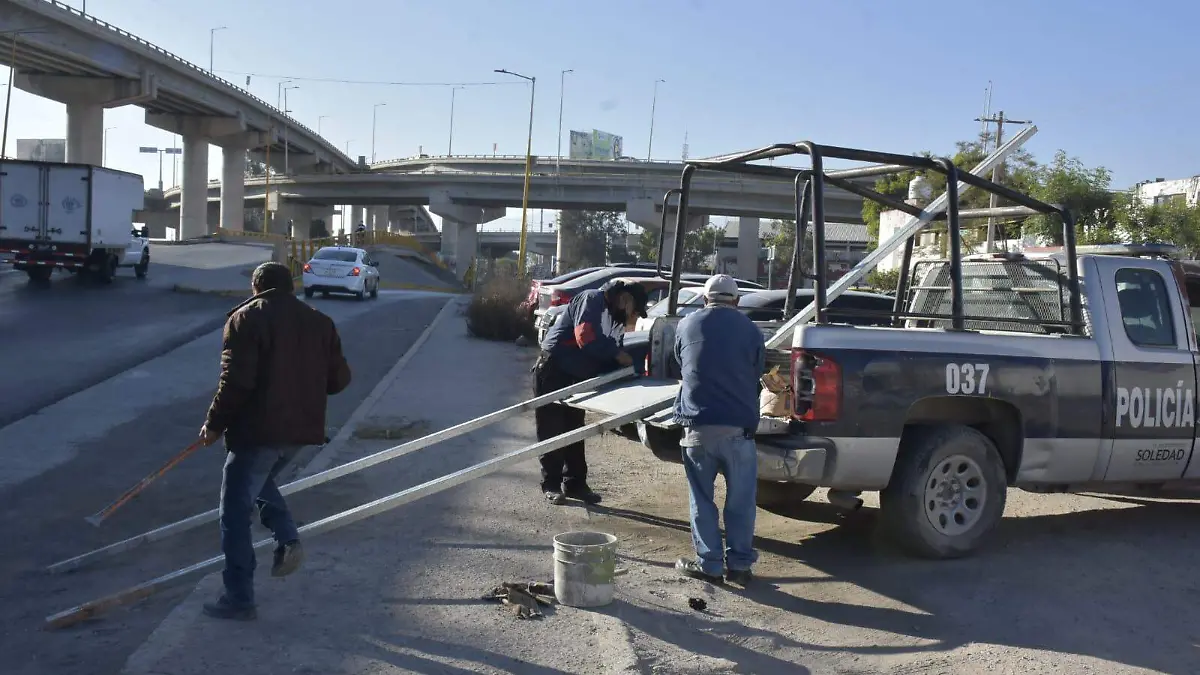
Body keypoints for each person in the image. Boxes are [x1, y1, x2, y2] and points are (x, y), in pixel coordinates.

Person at [198, 262, 352, 620]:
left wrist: (214, 424)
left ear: (256, 287)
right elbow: (339, 380)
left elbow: (235, 382)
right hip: (300, 432)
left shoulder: (246, 318)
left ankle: (239, 597)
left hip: (258, 431)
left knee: (234, 511)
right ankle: (286, 537)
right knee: (259, 482)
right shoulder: (320, 321)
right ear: (291, 287)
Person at [672, 274, 765, 585]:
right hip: (739, 430)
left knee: (702, 499)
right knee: (740, 501)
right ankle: (740, 567)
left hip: (697, 429)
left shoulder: (687, 324)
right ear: (737, 302)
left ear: (704, 299)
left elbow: (680, 363)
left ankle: (710, 565)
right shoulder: (751, 330)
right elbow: (758, 371)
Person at [534, 279, 649, 505]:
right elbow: (585, 338)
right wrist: (617, 356)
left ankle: (576, 483)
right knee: (552, 430)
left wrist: (626, 372)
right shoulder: (593, 299)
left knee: (575, 431)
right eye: (633, 312)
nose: (632, 318)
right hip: (554, 370)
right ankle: (551, 484)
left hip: (577, 376)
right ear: (624, 299)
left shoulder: (615, 320)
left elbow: (612, 353)